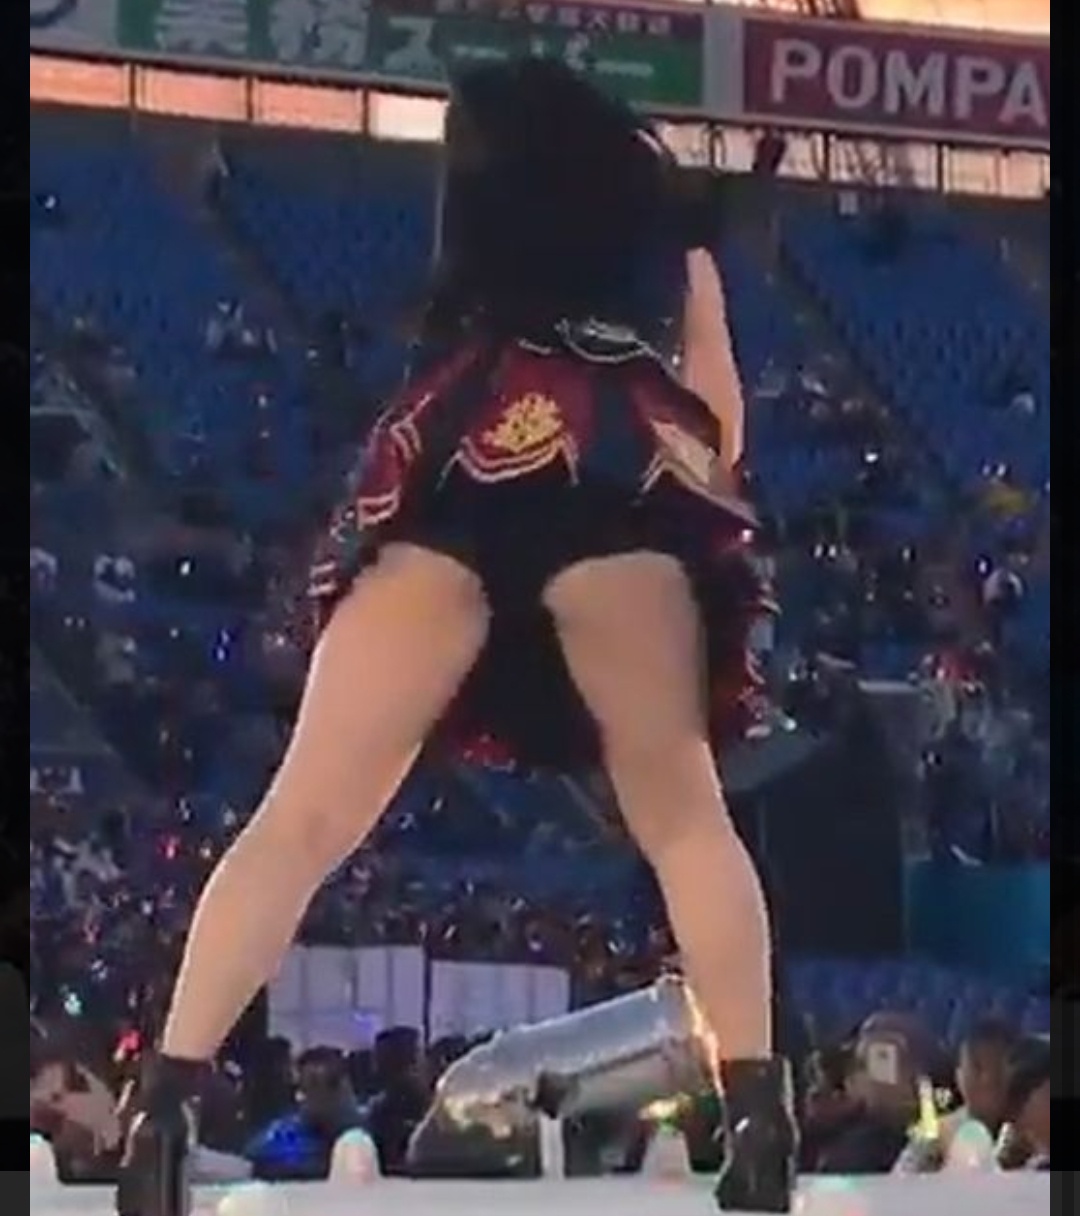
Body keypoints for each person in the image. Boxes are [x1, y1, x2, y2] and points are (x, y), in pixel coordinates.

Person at [117, 58, 793, 1215]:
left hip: (458, 481)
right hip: (619, 492)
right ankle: (760, 1117)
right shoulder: (660, 259)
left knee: (300, 818)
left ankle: (162, 1109)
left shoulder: (471, 302)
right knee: (686, 818)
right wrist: (694, 255)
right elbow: (718, 432)